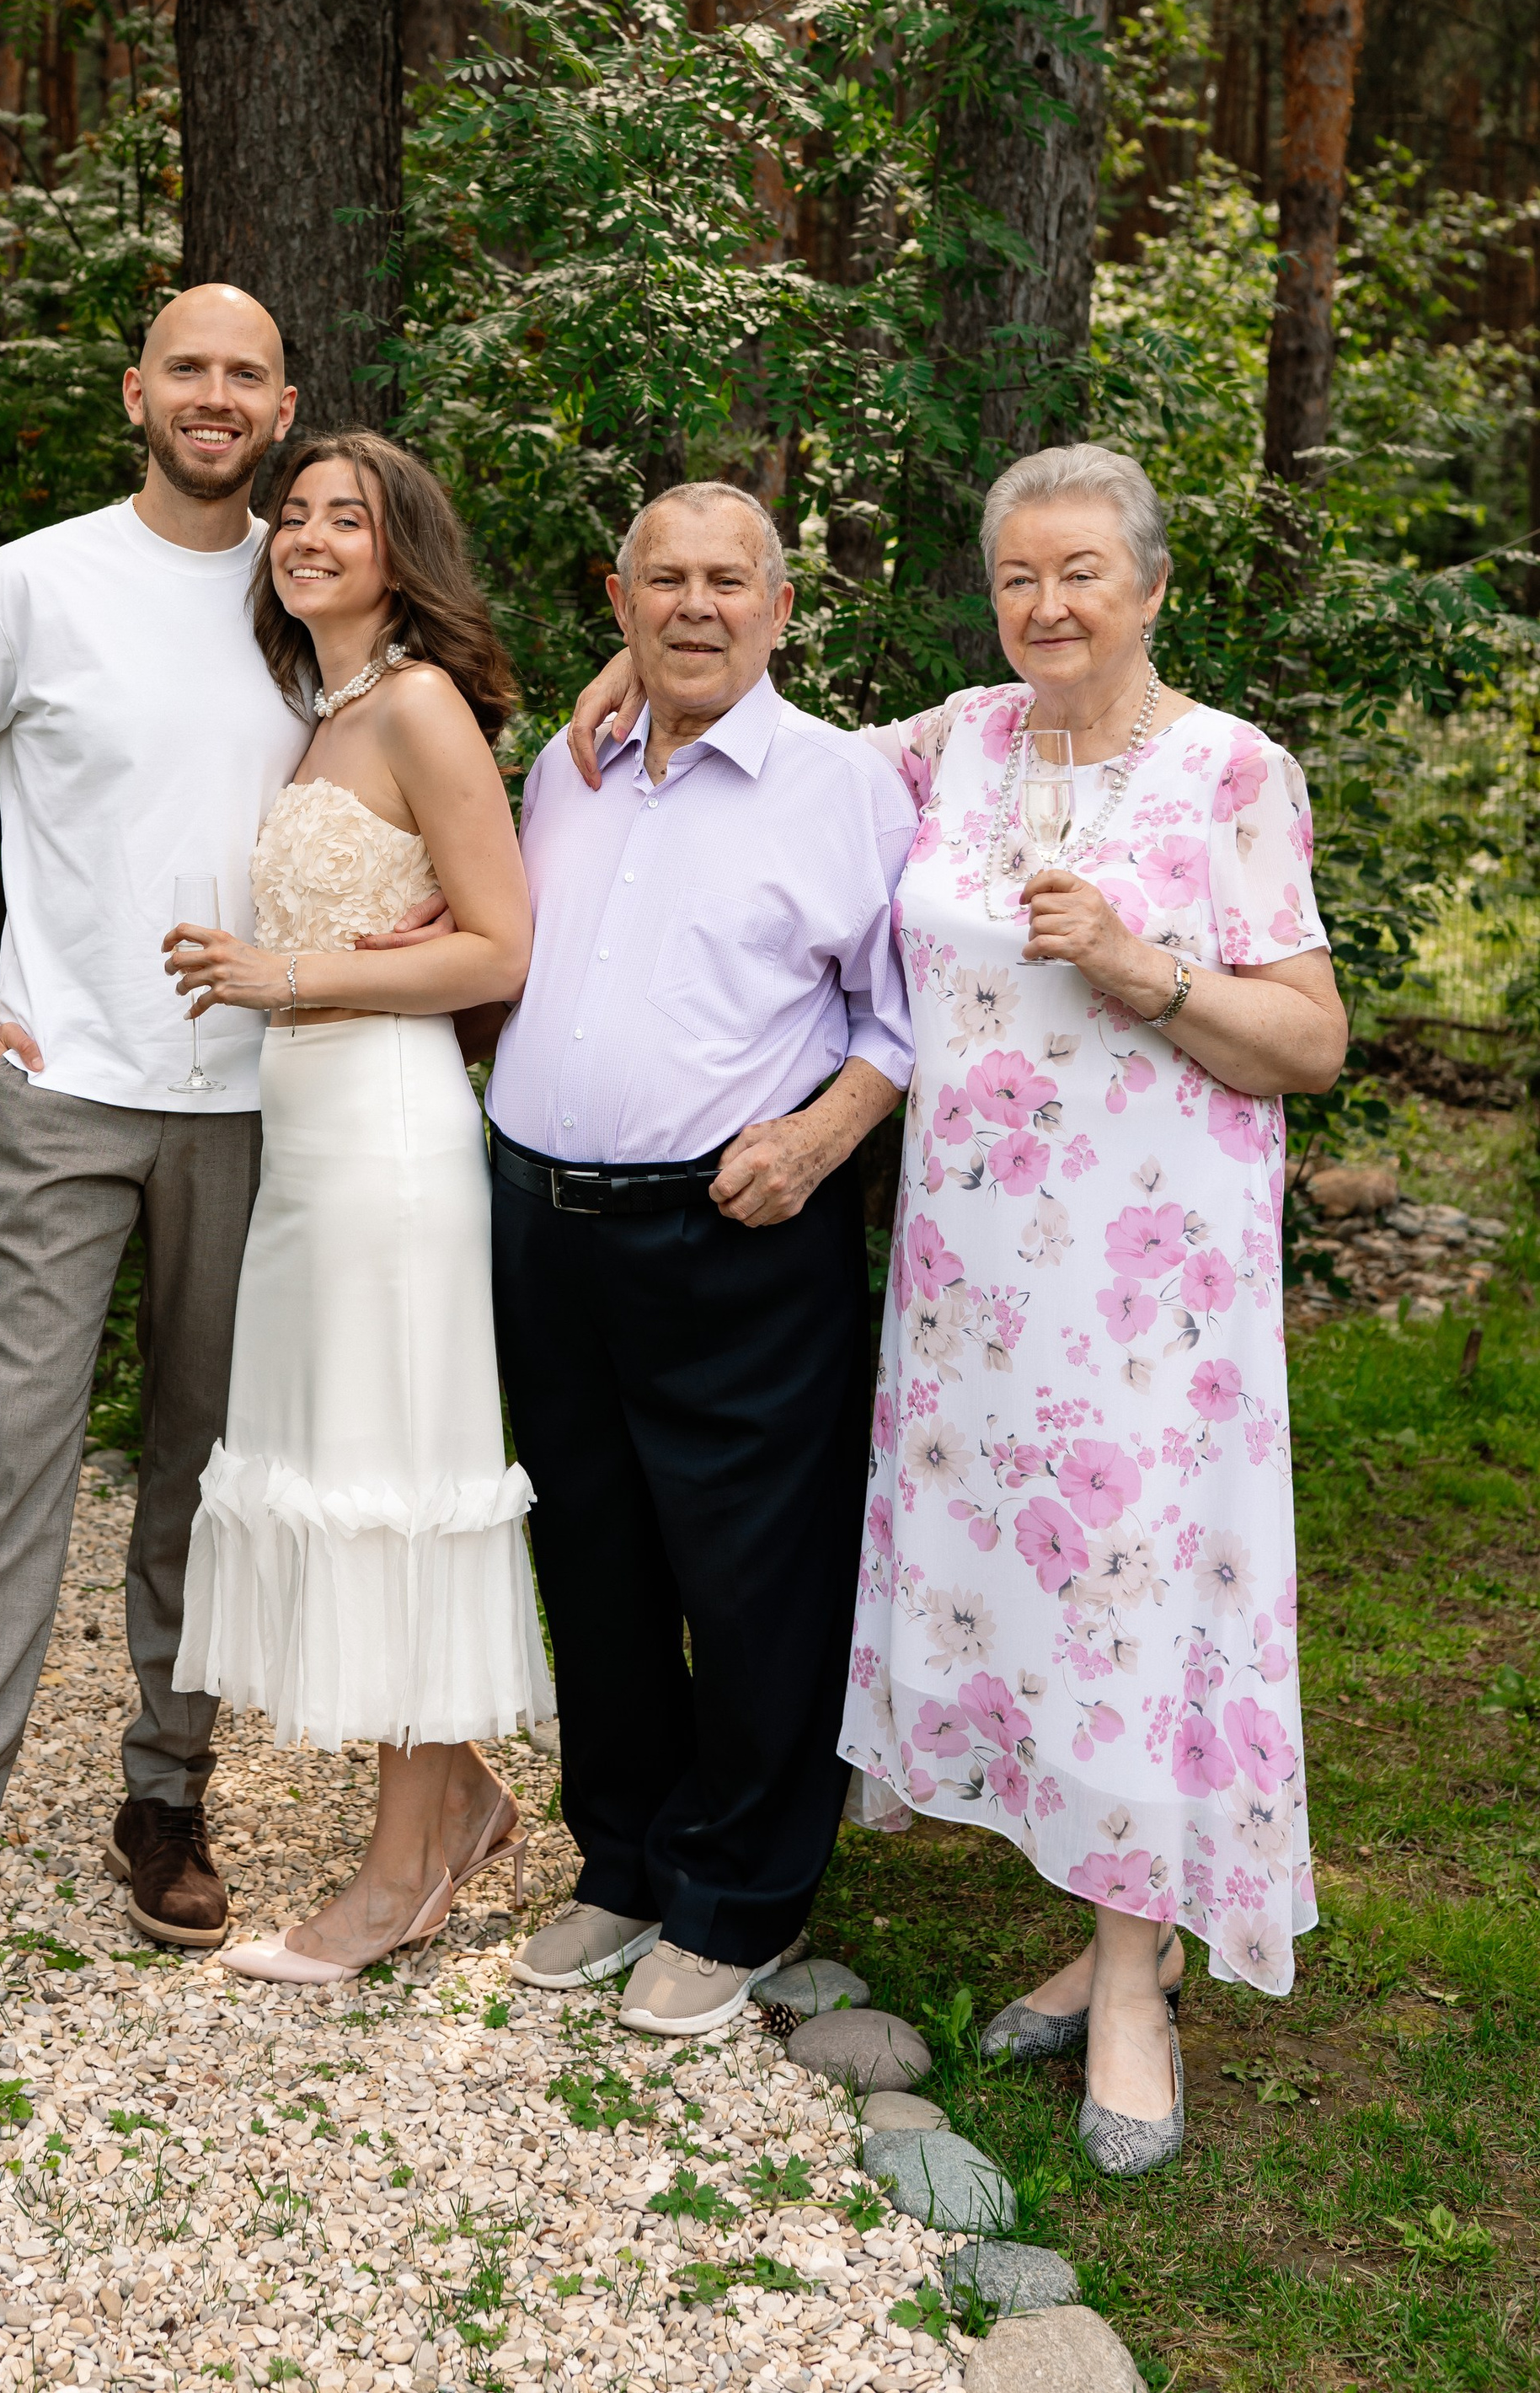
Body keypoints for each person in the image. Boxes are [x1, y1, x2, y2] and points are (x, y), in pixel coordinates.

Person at [574, 442, 1346, 2169]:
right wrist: (632, 659)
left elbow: (1309, 1038)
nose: (1046, 603)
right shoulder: (947, 745)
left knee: (1141, 1600)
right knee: (1038, 1601)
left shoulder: (1227, 769)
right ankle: (1094, 1921)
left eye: (1080, 570)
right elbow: (754, 722)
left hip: (1149, 1285)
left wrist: (1141, 965)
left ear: (1148, 586)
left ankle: (1133, 1981)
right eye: (1016, 575)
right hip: (972, 1283)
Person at [0, 285, 418, 1998]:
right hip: (65, 1092)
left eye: (246, 375)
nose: (215, 398)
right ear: (135, 391)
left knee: (200, 1474)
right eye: (188, 370)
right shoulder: (29, 582)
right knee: (10, 1458)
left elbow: (447, 712)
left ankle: (167, 1799)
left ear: (283, 401)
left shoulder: (305, 590)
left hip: (262, 1096)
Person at [488, 482, 917, 2038]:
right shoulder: (570, 763)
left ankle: (737, 1891)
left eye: (727, 580)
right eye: (663, 579)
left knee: (751, 1569)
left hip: (739, 1228)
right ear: (617, 599)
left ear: (780, 607)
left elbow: (907, 1012)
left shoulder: (845, 785)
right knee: (590, 1553)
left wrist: (818, 1137)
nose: (693, 605)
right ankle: (622, 1856)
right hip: (543, 1223)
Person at [159, 432, 549, 1982]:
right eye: (297, 513)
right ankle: (457, 1801)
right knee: (344, 1462)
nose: (311, 535)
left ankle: (397, 1879)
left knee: (397, 1480)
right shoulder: (323, 716)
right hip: (309, 1142)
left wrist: (289, 973)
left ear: (404, 553)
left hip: (390, 1142)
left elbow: (503, 948)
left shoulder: (418, 705)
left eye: (350, 518)